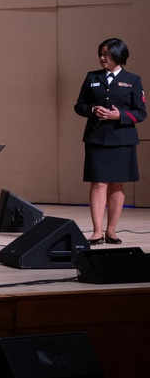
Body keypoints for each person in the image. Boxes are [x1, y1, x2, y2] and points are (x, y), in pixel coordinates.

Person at [73, 38, 145, 245]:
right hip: (96, 137)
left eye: (107, 54)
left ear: (119, 55)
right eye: (101, 53)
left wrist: (119, 116)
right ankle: (97, 231)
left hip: (122, 139)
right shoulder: (92, 77)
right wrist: (93, 109)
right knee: (98, 183)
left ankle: (111, 231)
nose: (102, 57)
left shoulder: (133, 80)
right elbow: (79, 106)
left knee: (117, 185)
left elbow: (141, 113)